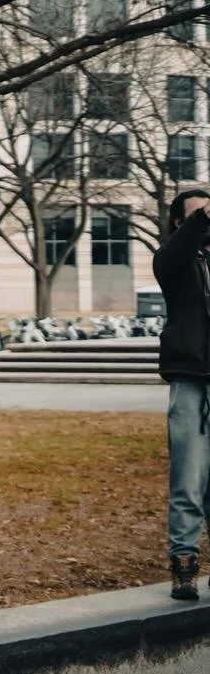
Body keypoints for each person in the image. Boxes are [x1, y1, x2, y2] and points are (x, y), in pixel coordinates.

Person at [152, 188, 210, 601]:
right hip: (190, 379)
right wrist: (201, 219)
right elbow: (177, 252)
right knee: (188, 478)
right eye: (198, 214)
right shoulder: (172, 262)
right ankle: (184, 563)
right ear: (179, 223)